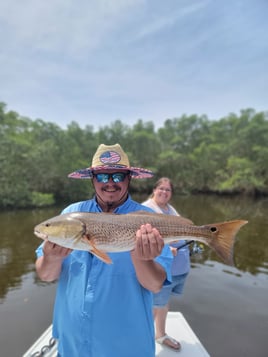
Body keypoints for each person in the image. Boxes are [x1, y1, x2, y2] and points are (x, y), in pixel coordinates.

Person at [35, 143, 173, 357]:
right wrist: (51, 258)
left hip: (126, 346)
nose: (110, 183)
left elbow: (155, 285)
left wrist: (142, 258)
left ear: (129, 179)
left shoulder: (149, 220)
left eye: (118, 176)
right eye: (101, 176)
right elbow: (45, 275)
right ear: (92, 179)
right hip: (73, 344)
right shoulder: (71, 213)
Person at [142, 177, 192, 352]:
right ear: (154, 190)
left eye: (168, 190)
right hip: (161, 269)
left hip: (179, 268)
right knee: (155, 305)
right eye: (161, 188)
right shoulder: (146, 209)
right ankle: (144, 342)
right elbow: (141, 240)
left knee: (163, 303)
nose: (164, 192)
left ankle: (160, 334)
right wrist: (164, 250)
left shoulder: (170, 209)